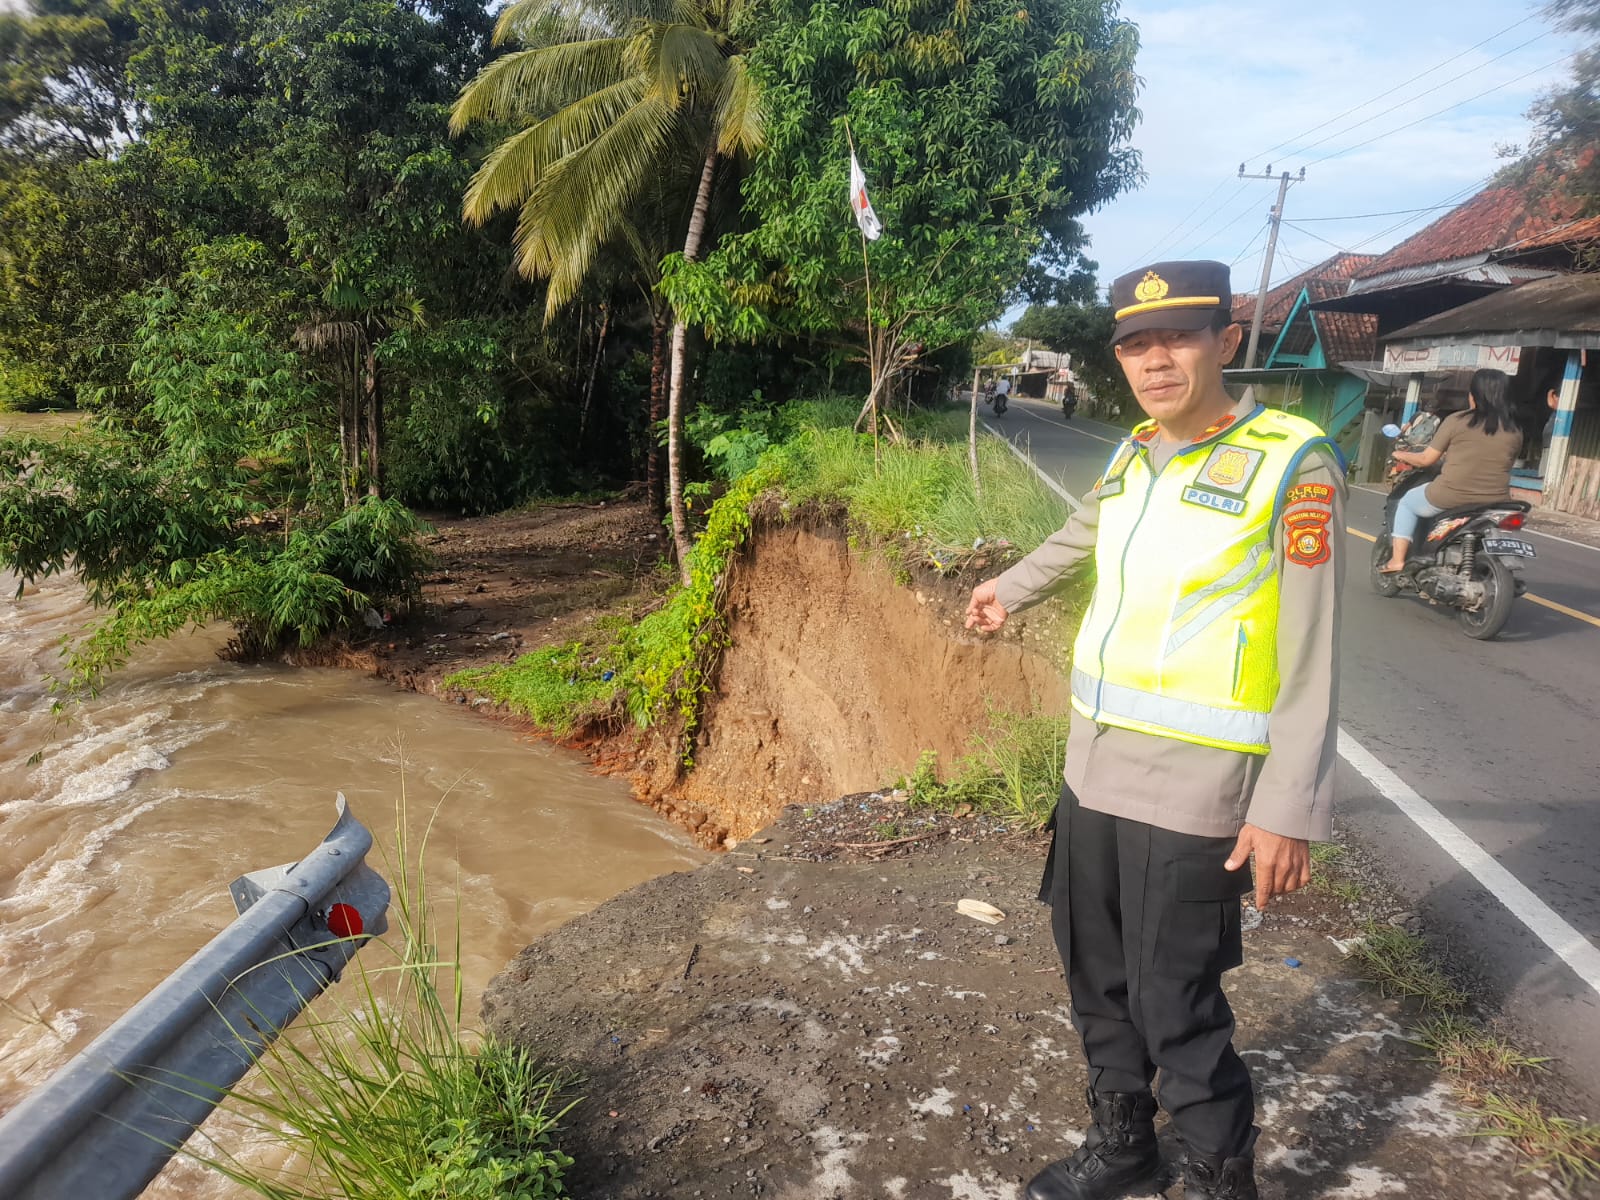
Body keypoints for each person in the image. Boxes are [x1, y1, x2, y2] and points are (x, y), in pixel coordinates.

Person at [964, 260, 1345, 1200]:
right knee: (1094, 973)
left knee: (1175, 997)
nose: (1154, 359)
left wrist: (1287, 807)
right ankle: (1125, 1143)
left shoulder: (1290, 462)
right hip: (1092, 766)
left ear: (1225, 341)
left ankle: (1221, 1175)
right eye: (1135, 343)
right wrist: (1005, 590)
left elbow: (1313, 652)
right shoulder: (1137, 450)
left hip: (1198, 782)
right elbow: (1086, 531)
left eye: (1176, 337)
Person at [1380, 368, 1520, 573]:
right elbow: (1503, 461)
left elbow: (1427, 459)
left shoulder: (1457, 420)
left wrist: (1401, 455)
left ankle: (1397, 560)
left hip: (1452, 495)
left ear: (1473, 395)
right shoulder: (1514, 429)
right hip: (1497, 499)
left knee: (1407, 502)